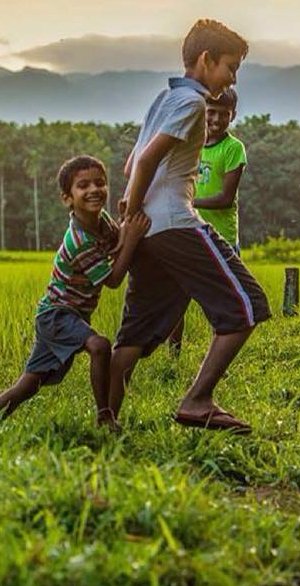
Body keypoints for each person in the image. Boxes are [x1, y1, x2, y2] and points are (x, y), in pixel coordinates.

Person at [110, 19, 271, 433]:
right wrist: (129, 217)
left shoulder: (163, 99)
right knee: (247, 305)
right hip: (177, 223)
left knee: (136, 330)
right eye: (230, 67)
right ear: (205, 59)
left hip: (150, 229)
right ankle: (198, 400)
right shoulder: (192, 104)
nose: (233, 77)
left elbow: (131, 165)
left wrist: (133, 218)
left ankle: (106, 418)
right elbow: (144, 163)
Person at [0, 156, 150, 429]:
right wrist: (134, 236)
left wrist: (126, 221)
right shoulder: (79, 240)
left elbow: (117, 243)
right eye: (83, 186)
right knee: (100, 346)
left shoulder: (101, 220)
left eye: (100, 183)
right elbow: (115, 279)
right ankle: (104, 415)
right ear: (68, 198)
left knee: (29, 384)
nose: (94, 189)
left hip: (71, 314)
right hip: (57, 315)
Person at [168, 87, 247, 354]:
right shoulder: (191, 145)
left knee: (225, 303)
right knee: (178, 298)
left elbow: (225, 198)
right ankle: (173, 356)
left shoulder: (233, 149)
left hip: (220, 236)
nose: (215, 120)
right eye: (210, 113)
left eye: (223, 115)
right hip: (189, 233)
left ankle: (219, 357)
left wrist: (187, 203)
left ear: (232, 116)